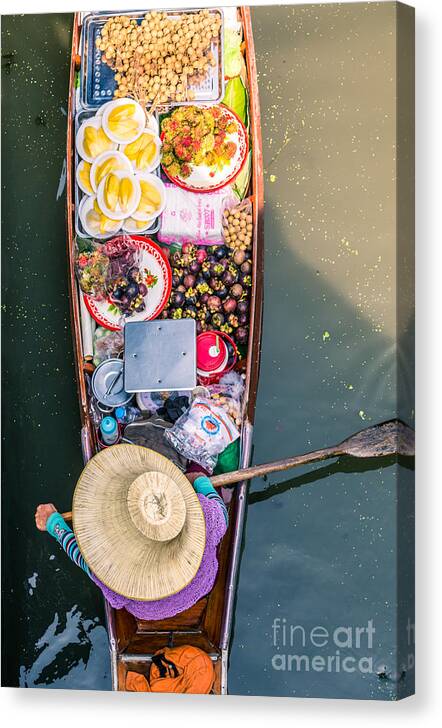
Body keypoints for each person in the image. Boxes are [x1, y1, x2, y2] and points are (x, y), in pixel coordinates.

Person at [35, 444, 228, 620]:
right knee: (198, 469)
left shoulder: (111, 569)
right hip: (202, 583)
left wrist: (54, 523)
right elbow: (221, 514)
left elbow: (81, 556)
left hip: (151, 611)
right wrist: (200, 481)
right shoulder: (205, 513)